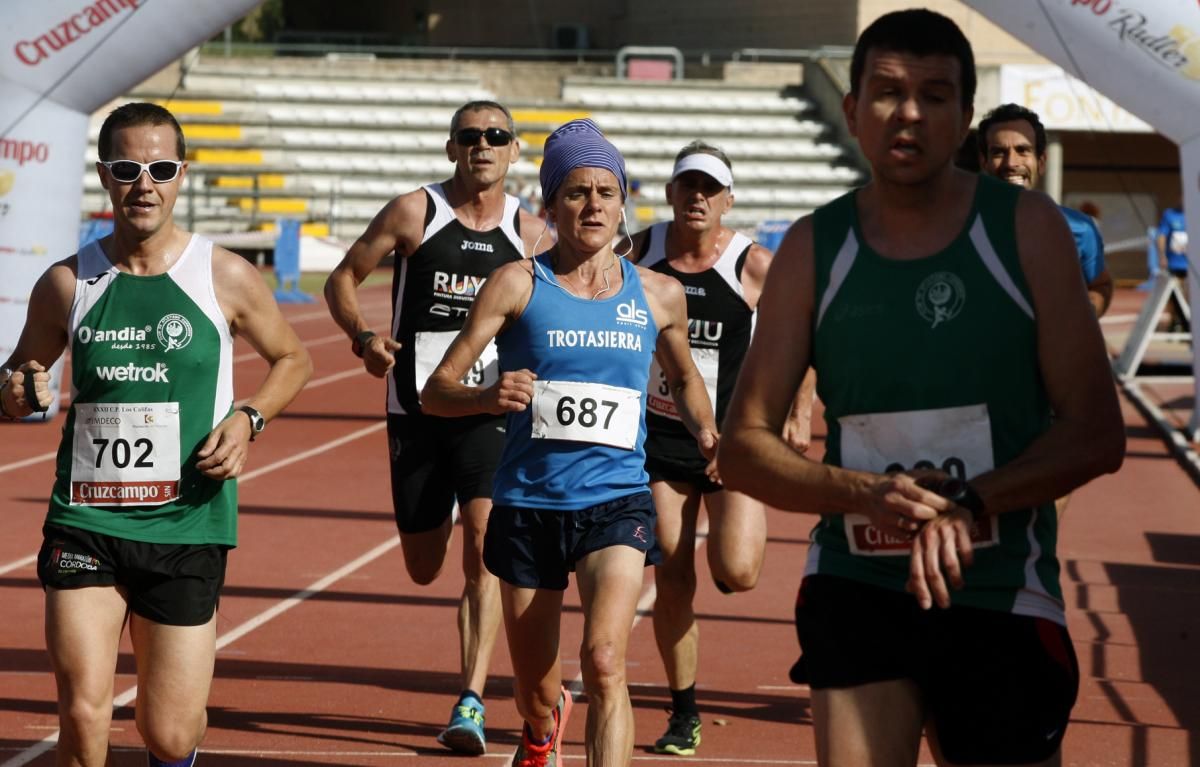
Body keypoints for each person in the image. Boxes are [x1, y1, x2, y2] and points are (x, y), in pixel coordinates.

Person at [718, 10, 1124, 767]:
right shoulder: (813, 247)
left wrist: (973, 502)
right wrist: (864, 494)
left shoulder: (1028, 231)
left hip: (999, 587)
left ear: (963, 116)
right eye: (888, 92)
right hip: (858, 576)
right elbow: (743, 450)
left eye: (935, 95)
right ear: (851, 110)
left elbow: (1097, 431)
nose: (909, 113)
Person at [0, 102, 312, 767]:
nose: (145, 183)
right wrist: (18, 388)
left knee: (170, 731)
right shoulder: (66, 282)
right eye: (127, 168)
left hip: (186, 525)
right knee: (83, 707)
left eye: (160, 168)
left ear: (181, 175)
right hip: (85, 518)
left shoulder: (220, 274)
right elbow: (14, 377)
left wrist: (248, 417)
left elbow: (295, 358)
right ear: (105, 175)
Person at [422, 118, 720, 767]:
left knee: (606, 660)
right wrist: (484, 396)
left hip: (616, 502)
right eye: (578, 192)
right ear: (552, 203)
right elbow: (434, 390)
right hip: (529, 505)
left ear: (623, 203)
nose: (593, 206)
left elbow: (686, 375)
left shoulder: (659, 293)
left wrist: (704, 427)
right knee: (537, 688)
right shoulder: (517, 283)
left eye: (606, 192)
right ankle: (537, 731)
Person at [323, 100, 548, 755]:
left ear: (513, 151)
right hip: (416, 409)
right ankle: (433, 527)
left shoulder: (530, 233)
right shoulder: (412, 212)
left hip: (486, 410)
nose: (484, 145)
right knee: (425, 565)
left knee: (483, 547)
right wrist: (363, 335)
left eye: (496, 136)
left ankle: (471, 701)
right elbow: (344, 277)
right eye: (471, 136)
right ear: (452, 148)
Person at [628, 140, 814, 756]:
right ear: (670, 194)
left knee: (738, 571)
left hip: (731, 441)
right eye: (688, 186)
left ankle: (728, 563)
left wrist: (796, 405)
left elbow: (806, 329)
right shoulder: (640, 254)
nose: (698, 197)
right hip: (660, 438)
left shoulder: (752, 264)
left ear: (728, 200)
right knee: (671, 571)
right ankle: (684, 711)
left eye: (710, 188)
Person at [977, 103, 1114, 316]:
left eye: (1023, 150)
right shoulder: (959, 224)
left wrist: (1078, 318)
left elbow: (1099, 285)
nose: (1011, 162)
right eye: (998, 152)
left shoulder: (1079, 228)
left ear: (1041, 162)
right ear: (983, 161)